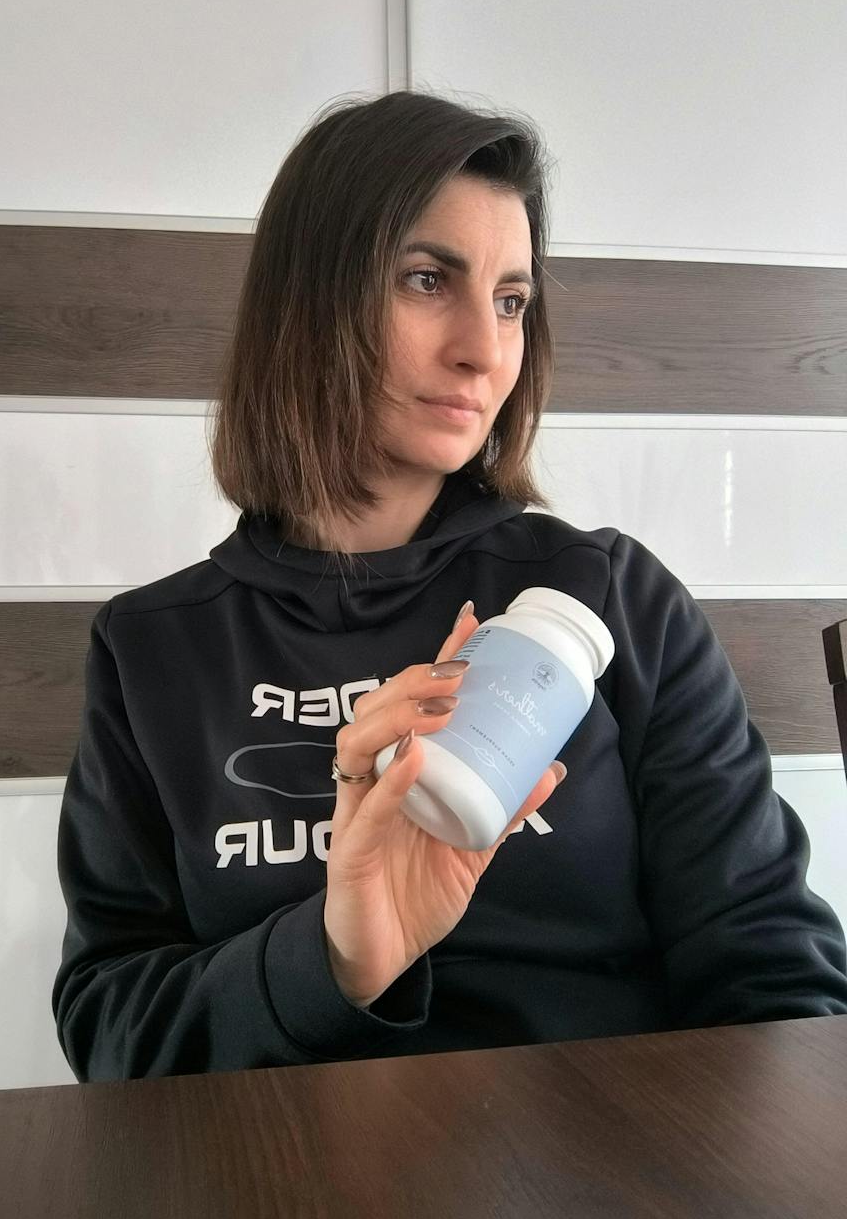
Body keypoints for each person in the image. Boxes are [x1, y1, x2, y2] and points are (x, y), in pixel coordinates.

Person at [52, 90, 847, 1080]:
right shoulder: (154, 645)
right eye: (427, 280)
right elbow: (111, 1026)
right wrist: (332, 961)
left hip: (609, 1158)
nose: (484, 347)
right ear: (309, 302)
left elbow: (772, 970)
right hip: (288, 1163)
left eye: (511, 300)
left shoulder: (606, 598)